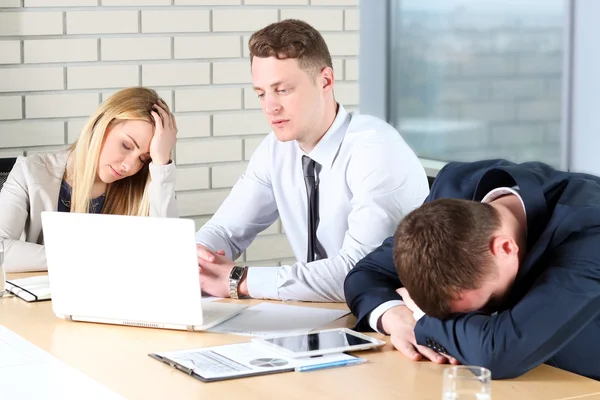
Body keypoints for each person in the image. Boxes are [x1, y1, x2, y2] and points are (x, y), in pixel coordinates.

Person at [196, 19, 428, 302]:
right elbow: (226, 229)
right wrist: (197, 259)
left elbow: (358, 272)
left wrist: (240, 280)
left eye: (282, 90)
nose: (271, 107)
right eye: (261, 93)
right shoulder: (275, 149)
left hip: (387, 317)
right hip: (320, 314)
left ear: (325, 81)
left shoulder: (376, 149)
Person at [344, 159, 600, 380]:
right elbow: (365, 274)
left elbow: (499, 352)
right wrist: (397, 318)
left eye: (486, 303)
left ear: (505, 248)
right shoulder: (452, 199)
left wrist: (421, 317)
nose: (475, 320)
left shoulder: (590, 230)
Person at [0, 87, 178, 272]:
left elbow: (170, 253)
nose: (130, 166)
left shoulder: (148, 186)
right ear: (100, 125)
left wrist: (161, 164)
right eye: (126, 145)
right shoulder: (31, 171)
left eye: (144, 158)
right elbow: (1, 249)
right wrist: (89, 256)